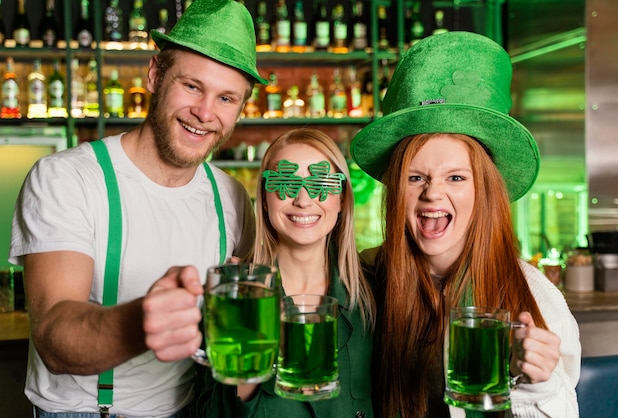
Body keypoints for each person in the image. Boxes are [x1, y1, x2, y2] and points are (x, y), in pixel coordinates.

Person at [8, 0, 265, 416]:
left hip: (194, 407)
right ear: (154, 75)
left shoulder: (232, 197)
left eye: (226, 98)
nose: (205, 113)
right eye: (192, 86)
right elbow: (54, 333)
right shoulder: (66, 178)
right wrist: (139, 322)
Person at [350, 31, 581, 418]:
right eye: (415, 177)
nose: (432, 195)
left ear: (484, 192)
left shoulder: (535, 297)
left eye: (455, 178)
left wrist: (537, 384)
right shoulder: (364, 277)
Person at [195, 128, 377, 417]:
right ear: (265, 199)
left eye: (321, 182)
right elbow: (209, 412)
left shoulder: (375, 290)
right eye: (284, 182)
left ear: (342, 198)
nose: (303, 201)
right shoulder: (233, 296)